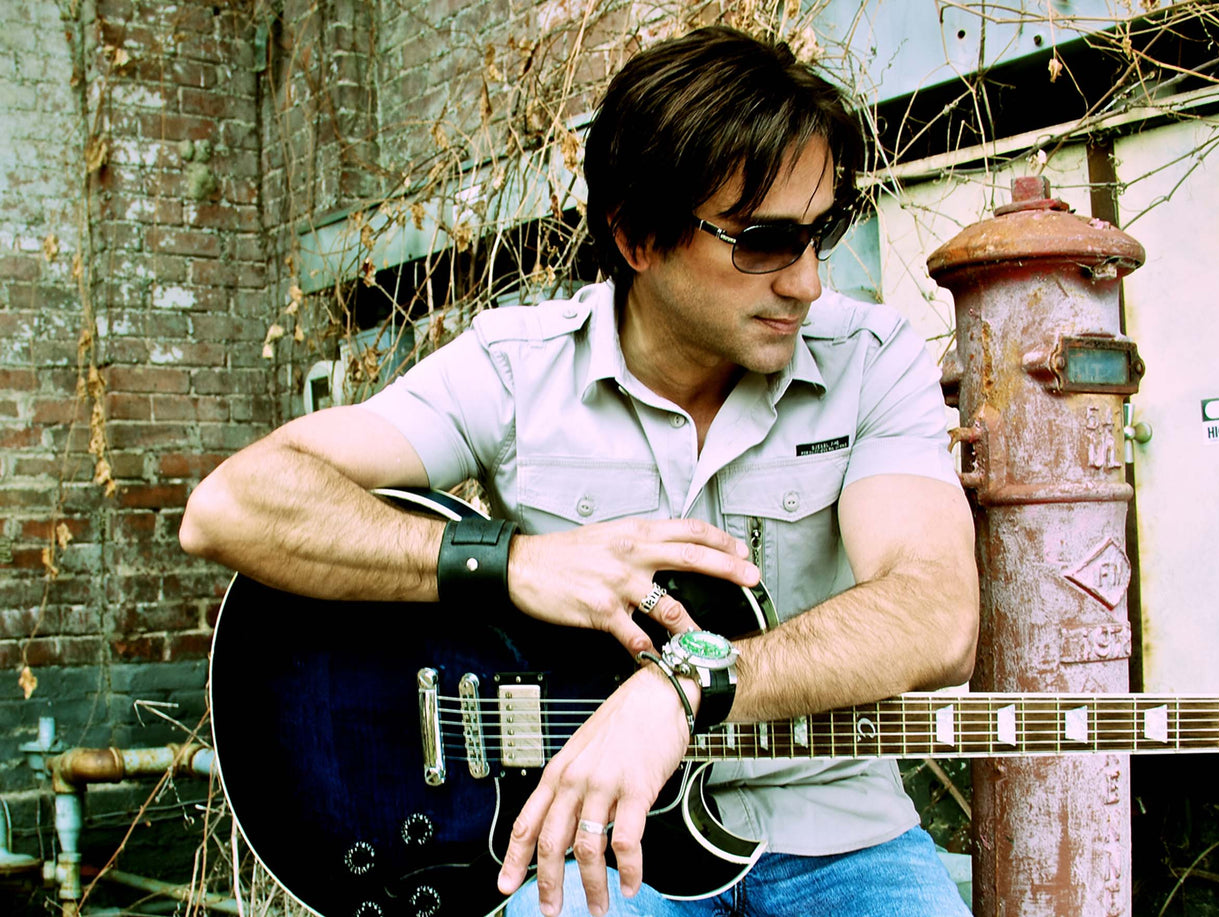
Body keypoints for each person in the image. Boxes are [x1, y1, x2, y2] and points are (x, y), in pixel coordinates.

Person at [180, 25, 978, 917]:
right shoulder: (519, 368)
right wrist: (511, 562)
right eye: (763, 241)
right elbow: (230, 507)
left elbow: (937, 612)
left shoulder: (872, 358)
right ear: (639, 236)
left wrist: (685, 692)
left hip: (838, 834)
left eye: (820, 232)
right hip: (591, 840)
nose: (808, 281)